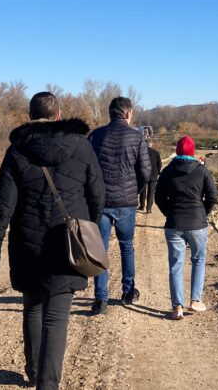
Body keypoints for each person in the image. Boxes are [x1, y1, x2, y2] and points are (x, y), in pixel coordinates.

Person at [0, 92, 105, 390]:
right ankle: (47, 384)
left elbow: (3, 203)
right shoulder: (81, 145)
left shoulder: (18, 150)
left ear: (29, 115)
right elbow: (97, 193)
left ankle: (35, 371)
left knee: (33, 306)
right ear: (59, 115)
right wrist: (92, 228)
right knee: (57, 317)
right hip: (68, 242)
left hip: (28, 240)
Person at [88, 96, 151, 314]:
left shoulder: (95, 136)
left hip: (101, 202)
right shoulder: (137, 137)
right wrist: (137, 191)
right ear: (128, 114)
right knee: (127, 247)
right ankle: (128, 291)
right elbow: (145, 171)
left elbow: (87, 169)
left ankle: (100, 299)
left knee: (100, 250)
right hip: (126, 202)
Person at [154, 136, 218, 320]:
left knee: (176, 265)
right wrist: (202, 213)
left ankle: (177, 307)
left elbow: (158, 197)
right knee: (198, 259)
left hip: (174, 223)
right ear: (192, 152)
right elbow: (213, 196)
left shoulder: (168, 171)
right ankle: (195, 300)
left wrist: (169, 212)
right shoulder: (202, 170)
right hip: (197, 224)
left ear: (178, 151)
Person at [139, 127, 162, 214]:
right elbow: (159, 164)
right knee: (151, 192)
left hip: (143, 174)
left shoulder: (142, 152)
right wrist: (158, 172)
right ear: (151, 144)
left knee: (142, 191)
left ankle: (142, 206)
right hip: (153, 175)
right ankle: (149, 208)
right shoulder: (156, 153)